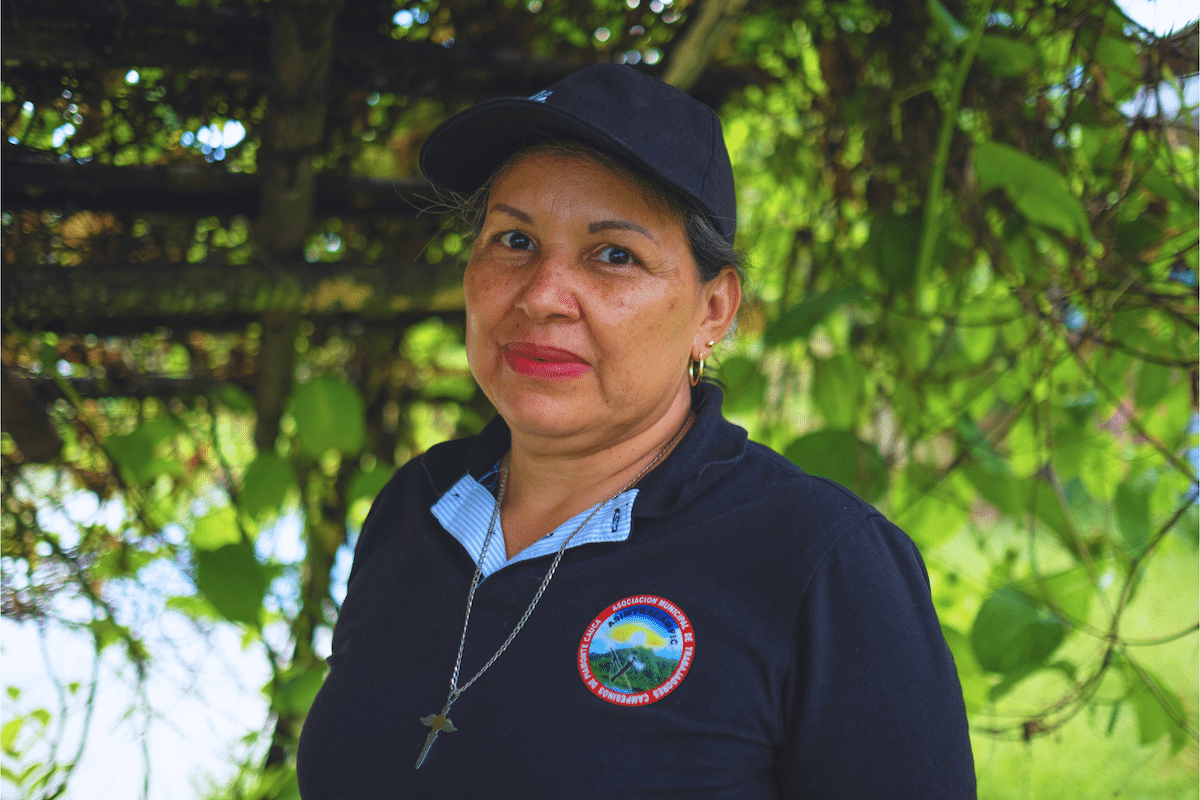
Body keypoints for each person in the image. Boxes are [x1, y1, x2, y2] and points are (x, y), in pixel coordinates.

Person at [297, 63, 975, 798]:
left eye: (614, 255)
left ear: (713, 312)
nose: (543, 296)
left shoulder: (820, 562)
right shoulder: (417, 506)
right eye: (514, 240)